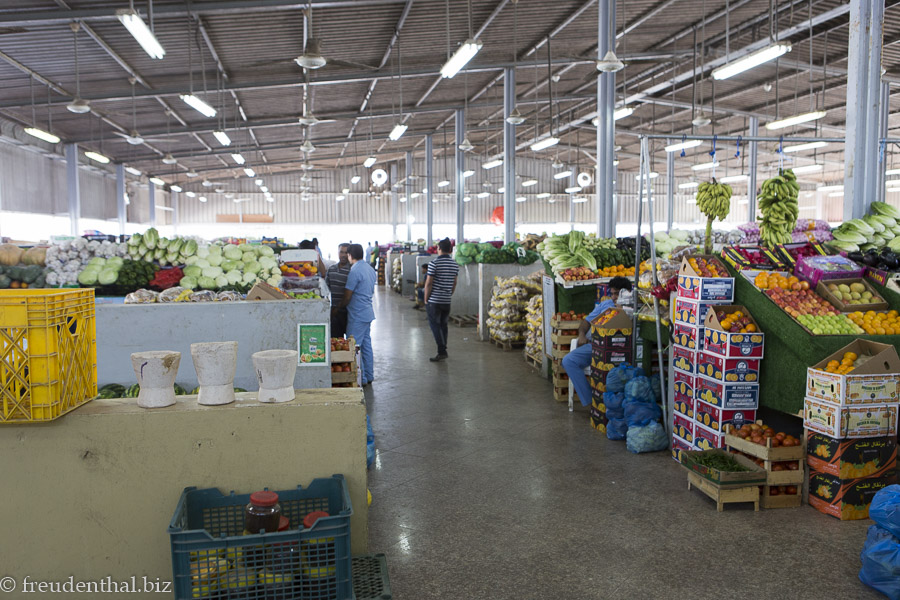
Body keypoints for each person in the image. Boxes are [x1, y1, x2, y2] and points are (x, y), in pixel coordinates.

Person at [561, 276, 634, 407]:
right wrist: (582, 334)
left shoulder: (634, 308)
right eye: (611, 293)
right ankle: (591, 402)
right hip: (596, 346)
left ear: (627, 292)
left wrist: (623, 309)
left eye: (617, 293)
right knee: (568, 361)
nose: (614, 297)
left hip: (621, 350)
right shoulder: (606, 305)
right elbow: (586, 322)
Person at [340, 243, 377, 386]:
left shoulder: (354, 270)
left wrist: (339, 307)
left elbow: (348, 295)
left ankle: (359, 379)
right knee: (366, 345)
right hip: (367, 311)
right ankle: (368, 375)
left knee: (354, 346)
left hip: (357, 314)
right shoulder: (369, 268)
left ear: (350, 255)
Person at [424, 238, 459, 362]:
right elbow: (454, 283)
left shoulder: (434, 263)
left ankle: (442, 350)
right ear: (450, 250)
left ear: (439, 249)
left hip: (434, 301)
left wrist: (426, 299)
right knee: (444, 325)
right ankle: (443, 349)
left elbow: (428, 283)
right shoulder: (455, 264)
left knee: (435, 325)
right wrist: (449, 294)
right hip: (446, 301)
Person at [326, 243, 351, 338]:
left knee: (350, 341)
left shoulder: (352, 270)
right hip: (334, 312)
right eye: (341, 252)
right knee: (336, 340)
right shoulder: (331, 269)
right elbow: (326, 289)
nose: (343, 255)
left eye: (346, 252)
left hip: (348, 312)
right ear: (337, 252)